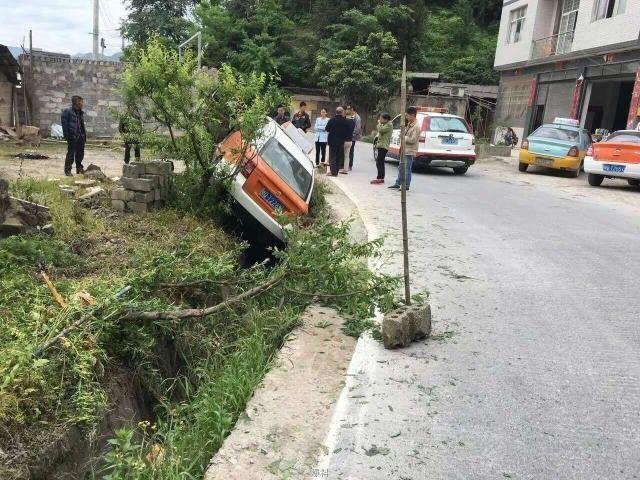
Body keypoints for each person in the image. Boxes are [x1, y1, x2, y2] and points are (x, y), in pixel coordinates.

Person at [389, 106, 419, 191]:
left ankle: (406, 185)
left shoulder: (416, 126)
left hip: (409, 150)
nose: (406, 117)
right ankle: (398, 183)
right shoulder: (410, 124)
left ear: (413, 115)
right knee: (401, 167)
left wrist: (404, 137)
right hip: (404, 149)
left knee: (407, 168)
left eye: (408, 116)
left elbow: (413, 139)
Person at [61, 95, 87, 176]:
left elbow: (81, 125)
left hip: (80, 136)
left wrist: (84, 135)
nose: (83, 103)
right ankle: (68, 170)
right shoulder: (67, 111)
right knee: (71, 153)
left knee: (80, 154)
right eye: (81, 102)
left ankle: (79, 169)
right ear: (77, 102)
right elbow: (64, 125)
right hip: (72, 136)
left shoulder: (80, 112)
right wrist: (67, 136)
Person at [325, 107, 352, 176]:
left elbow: (327, 129)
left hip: (332, 141)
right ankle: (336, 171)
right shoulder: (346, 121)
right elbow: (348, 131)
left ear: (336, 112)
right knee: (338, 157)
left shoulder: (332, 120)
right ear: (342, 112)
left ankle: (333, 172)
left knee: (332, 156)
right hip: (341, 141)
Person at [371, 113, 392, 184]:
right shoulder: (385, 124)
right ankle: (380, 177)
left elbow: (381, 130)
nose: (380, 120)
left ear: (386, 119)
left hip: (383, 146)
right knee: (380, 162)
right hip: (381, 145)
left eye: (381, 118)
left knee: (379, 162)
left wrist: (379, 123)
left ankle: (380, 177)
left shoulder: (389, 125)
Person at [341, 107, 356, 174]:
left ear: (345, 114)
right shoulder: (353, 122)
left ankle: (340, 167)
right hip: (350, 140)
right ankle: (345, 169)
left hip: (344, 140)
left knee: (341, 155)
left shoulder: (344, 121)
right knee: (347, 156)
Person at [347, 105, 362, 170]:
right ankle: (345, 164)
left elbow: (357, 128)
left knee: (350, 151)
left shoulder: (357, 117)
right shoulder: (350, 116)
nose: (348, 110)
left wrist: (351, 133)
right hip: (347, 136)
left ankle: (350, 165)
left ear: (352, 109)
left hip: (352, 137)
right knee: (347, 151)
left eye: (349, 109)